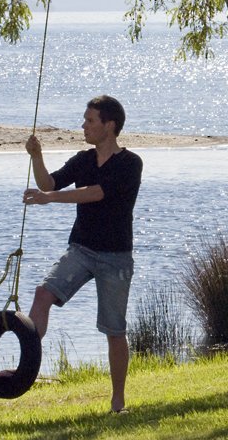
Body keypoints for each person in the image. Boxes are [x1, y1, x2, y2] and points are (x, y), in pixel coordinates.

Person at [22, 95, 143, 412]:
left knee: (114, 331)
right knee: (43, 294)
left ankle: (118, 401)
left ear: (109, 125)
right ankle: (26, 368)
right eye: (85, 120)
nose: (83, 126)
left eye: (90, 121)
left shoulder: (130, 163)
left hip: (115, 257)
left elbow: (96, 193)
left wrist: (48, 198)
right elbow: (50, 182)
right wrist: (37, 156)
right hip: (81, 250)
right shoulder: (83, 159)